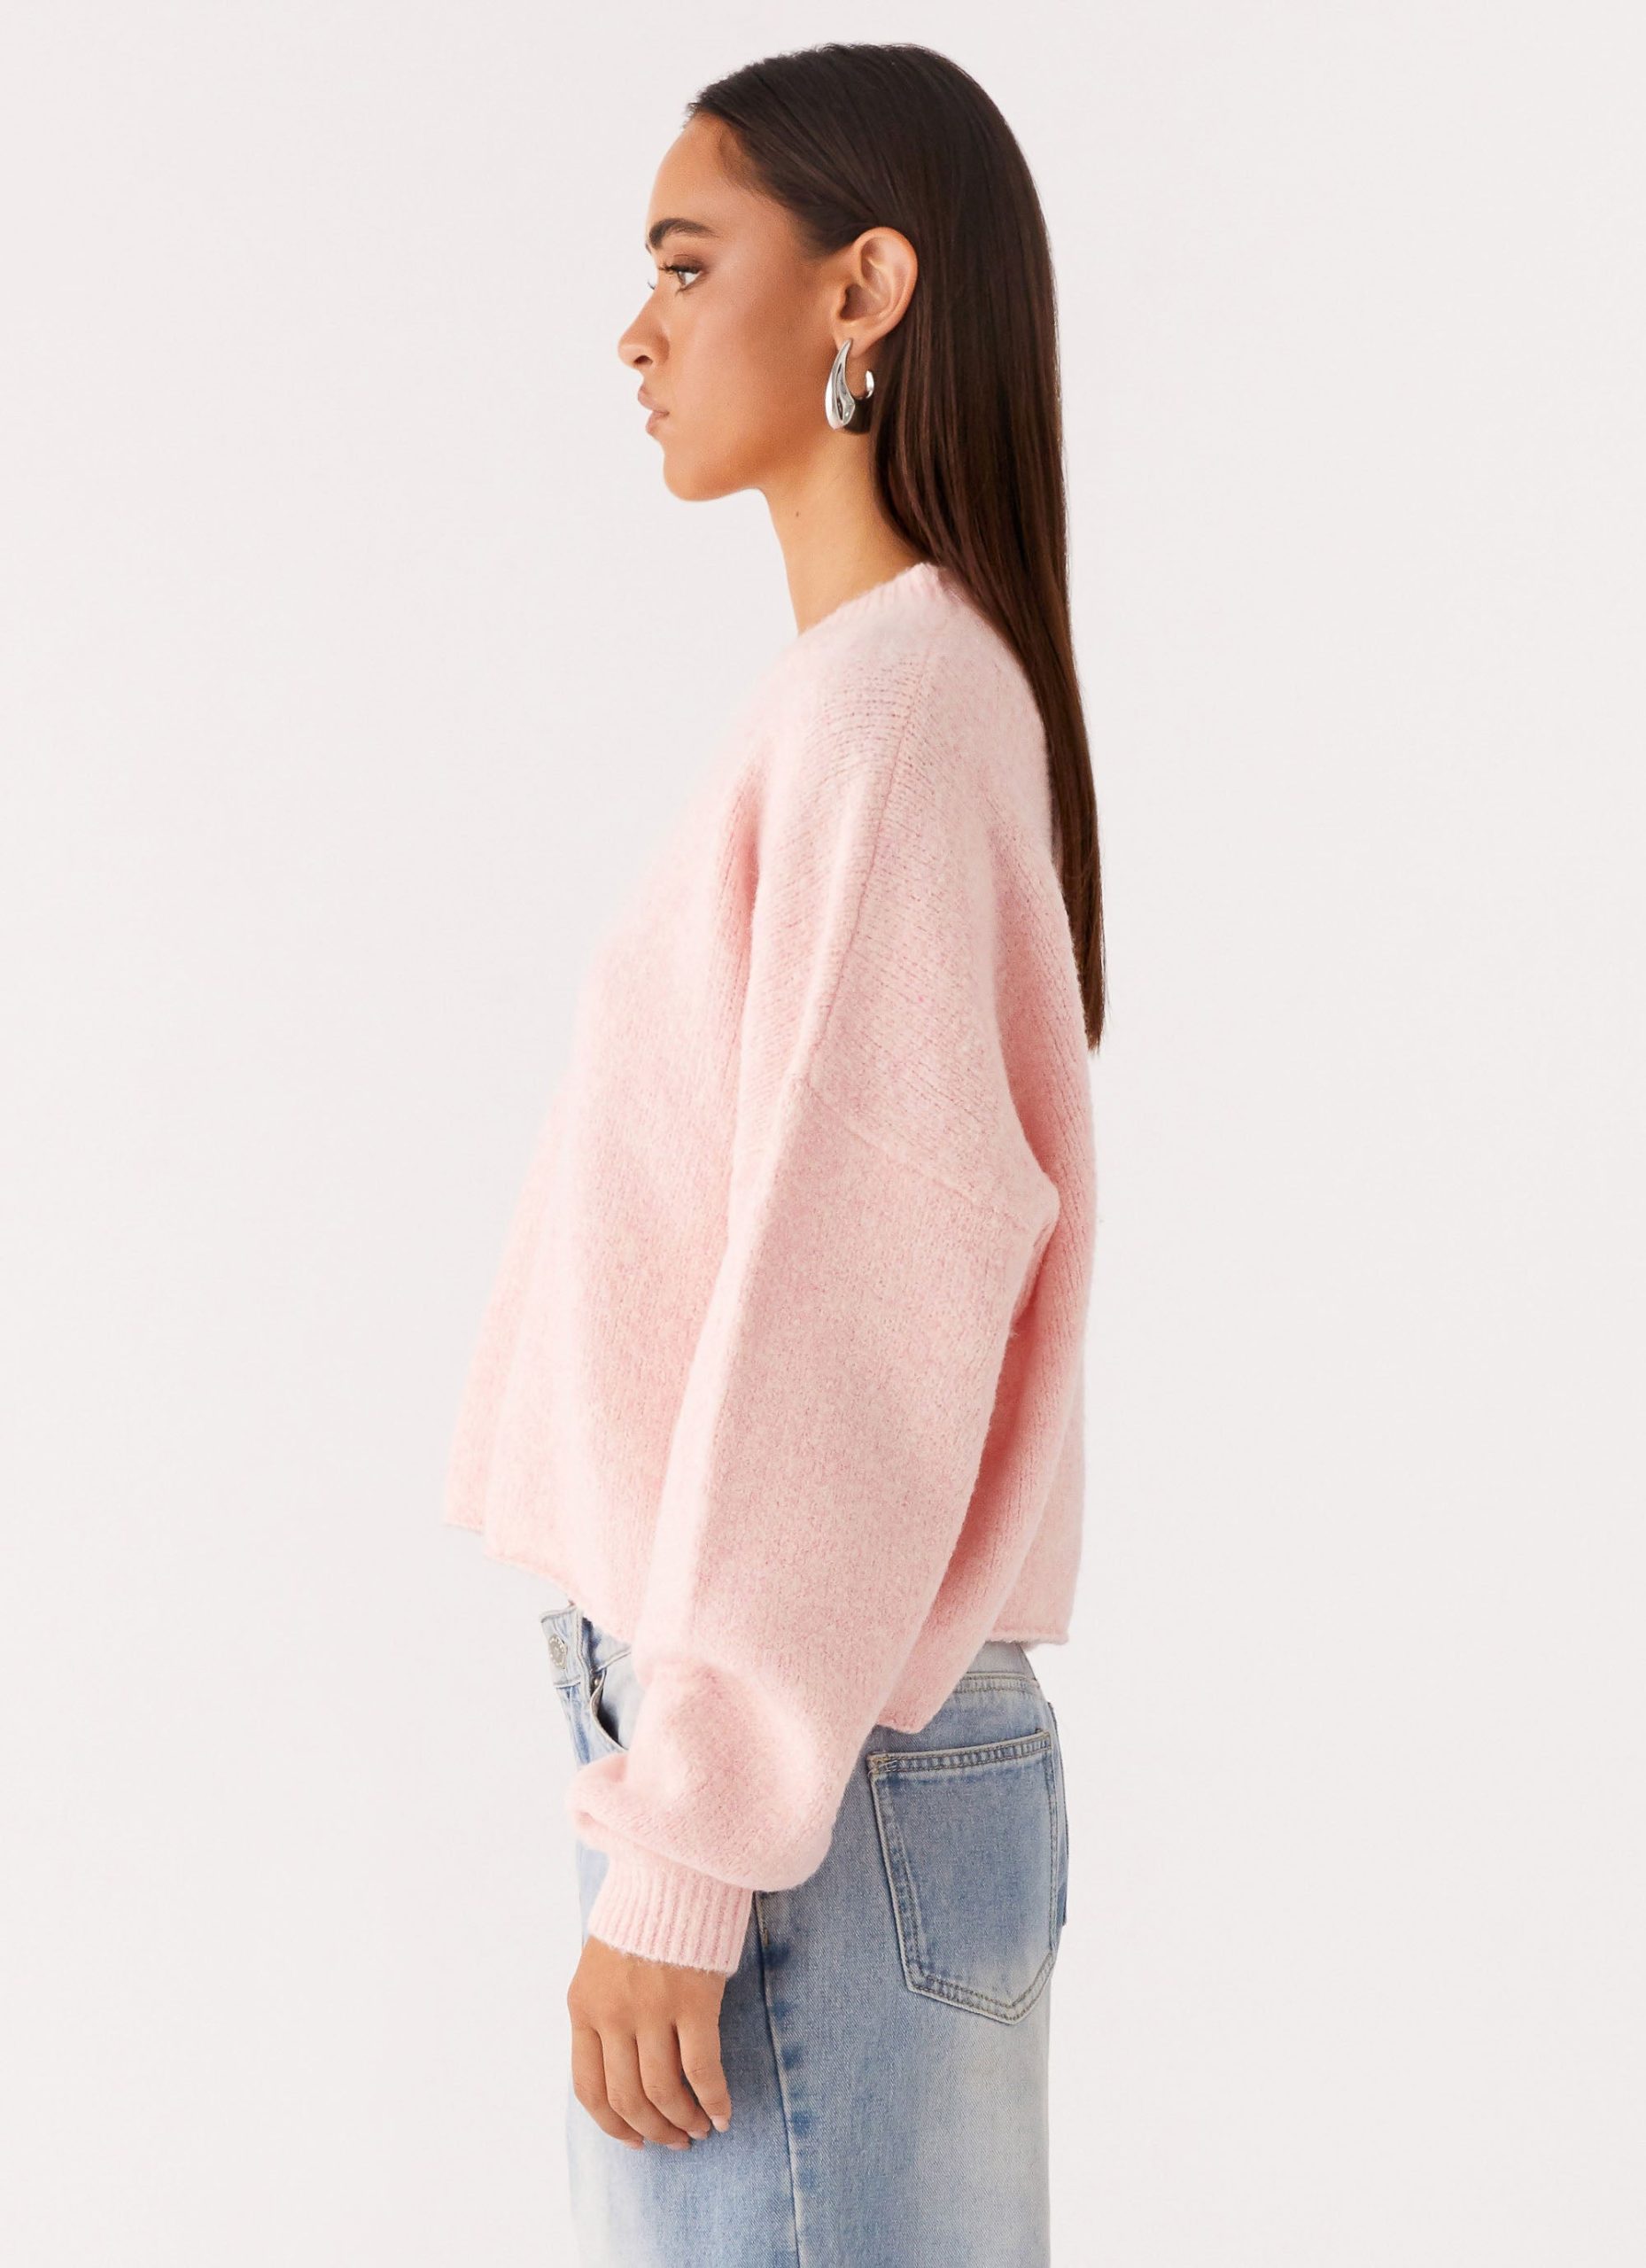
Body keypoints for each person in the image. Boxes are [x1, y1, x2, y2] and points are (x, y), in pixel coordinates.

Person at [444, 41, 1105, 2265]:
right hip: (808, 1756)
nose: (635, 333)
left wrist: (691, 1837)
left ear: (861, 288)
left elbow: (857, 1310)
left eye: (683, 263)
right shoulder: (880, 697)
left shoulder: (891, 712)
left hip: (799, 1784)